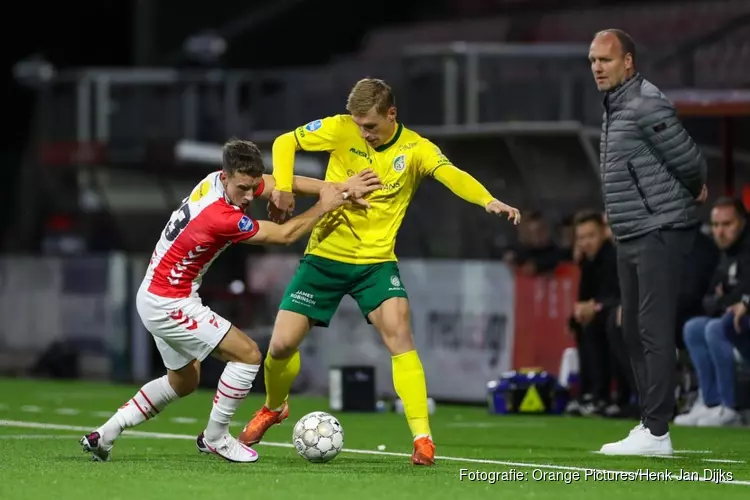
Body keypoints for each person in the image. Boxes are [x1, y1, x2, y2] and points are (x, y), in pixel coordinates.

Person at [239, 78, 521, 466]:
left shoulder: (416, 149)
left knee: (400, 336)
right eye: (358, 125)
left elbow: (451, 173)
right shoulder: (340, 128)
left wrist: (487, 200)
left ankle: (423, 439)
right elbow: (285, 141)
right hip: (324, 256)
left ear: (392, 114)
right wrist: (283, 187)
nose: (363, 133)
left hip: (375, 263)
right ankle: (274, 407)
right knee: (281, 346)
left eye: (370, 126)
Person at [80, 139, 382, 463]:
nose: (250, 196)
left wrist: (338, 187)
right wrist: (326, 204)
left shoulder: (218, 180)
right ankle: (216, 438)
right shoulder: (220, 216)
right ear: (226, 178)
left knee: (182, 382)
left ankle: (105, 434)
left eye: (254, 187)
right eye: (244, 188)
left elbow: (282, 183)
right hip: (170, 302)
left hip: (157, 293)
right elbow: (283, 236)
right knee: (249, 355)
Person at [589, 29, 708, 456]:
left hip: (660, 228)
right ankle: (650, 423)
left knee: (653, 329)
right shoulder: (617, 106)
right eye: (593, 61)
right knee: (632, 329)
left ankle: (657, 430)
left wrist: (695, 187)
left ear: (628, 62)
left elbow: (690, 160)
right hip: (631, 231)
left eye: (605, 59)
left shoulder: (645, 103)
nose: (598, 68)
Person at [675, 197, 749, 427]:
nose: (720, 231)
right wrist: (727, 297)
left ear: (743, 223)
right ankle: (711, 401)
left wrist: (729, 297)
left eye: (727, 224)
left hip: (740, 322)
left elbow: (739, 293)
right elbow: (709, 299)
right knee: (694, 327)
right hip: (733, 321)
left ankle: (731, 406)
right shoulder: (724, 254)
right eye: (716, 225)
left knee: (716, 328)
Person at [566, 210, 631, 417]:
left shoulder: (615, 256)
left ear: (603, 232)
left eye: (590, 236)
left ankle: (615, 396)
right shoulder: (587, 262)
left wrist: (595, 307)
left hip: (619, 313)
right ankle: (591, 394)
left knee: (603, 325)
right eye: (581, 237)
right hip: (601, 314)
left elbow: (622, 294)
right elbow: (584, 296)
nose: (586, 242)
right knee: (581, 324)